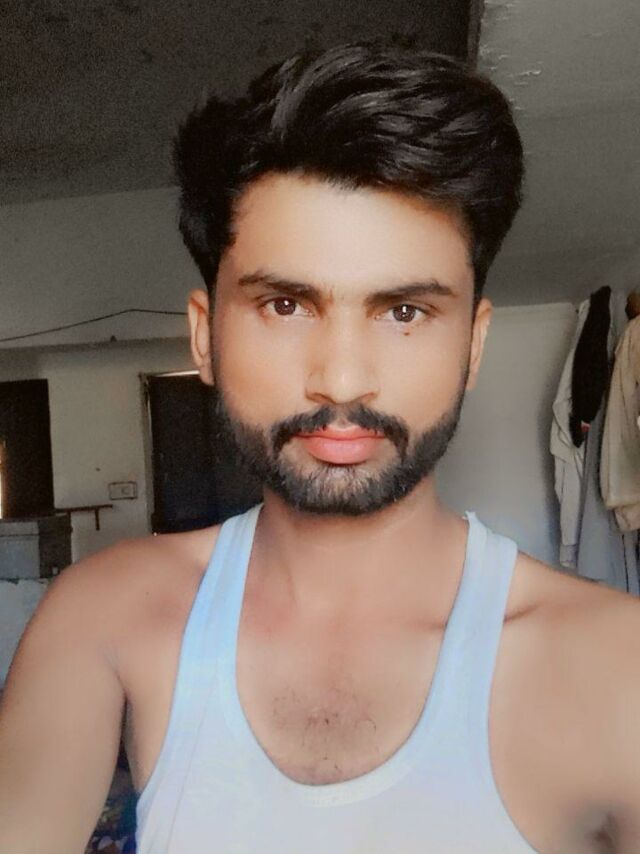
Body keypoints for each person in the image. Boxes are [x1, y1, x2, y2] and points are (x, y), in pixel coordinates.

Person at [1, 40, 639, 854]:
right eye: (285, 305)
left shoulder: (616, 666)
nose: (341, 379)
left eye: (404, 312)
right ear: (205, 335)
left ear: (473, 345)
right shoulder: (103, 615)